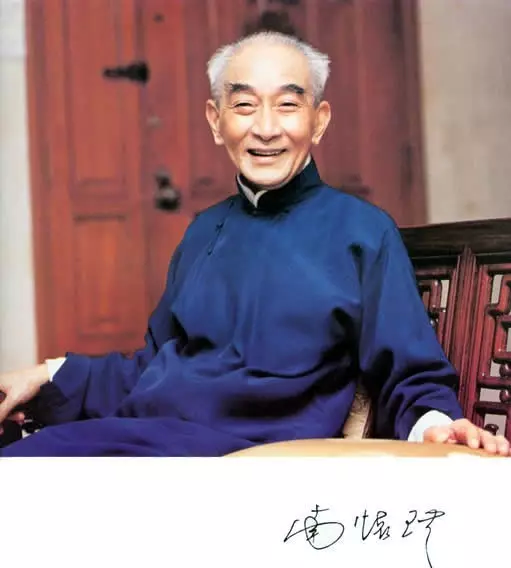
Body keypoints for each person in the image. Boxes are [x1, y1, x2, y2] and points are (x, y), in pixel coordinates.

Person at [0, 32, 508, 457]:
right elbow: (153, 367)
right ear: (215, 121)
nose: (266, 128)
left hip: (245, 460)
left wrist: (436, 426)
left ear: (319, 120)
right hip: (148, 438)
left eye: (288, 105)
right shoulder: (204, 231)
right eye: (244, 105)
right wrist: (45, 376)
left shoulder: (362, 232)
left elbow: (409, 370)